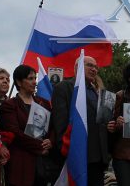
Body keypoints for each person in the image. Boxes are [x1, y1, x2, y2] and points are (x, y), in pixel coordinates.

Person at [52, 56, 110, 186]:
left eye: (96, 67)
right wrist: (65, 149)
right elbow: (60, 121)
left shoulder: (98, 92)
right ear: (77, 68)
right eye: (90, 65)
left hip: (97, 157)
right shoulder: (64, 87)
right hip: (77, 154)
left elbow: (101, 122)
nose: (94, 69)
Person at [0, 65, 53, 186]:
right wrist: (40, 147)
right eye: (30, 78)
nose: (34, 82)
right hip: (21, 164)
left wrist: (50, 141)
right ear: (19, 81)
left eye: (35, 78)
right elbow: (14, 132)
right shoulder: (10, 105)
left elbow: (52, 127)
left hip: (43, 165)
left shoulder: (43, 103)